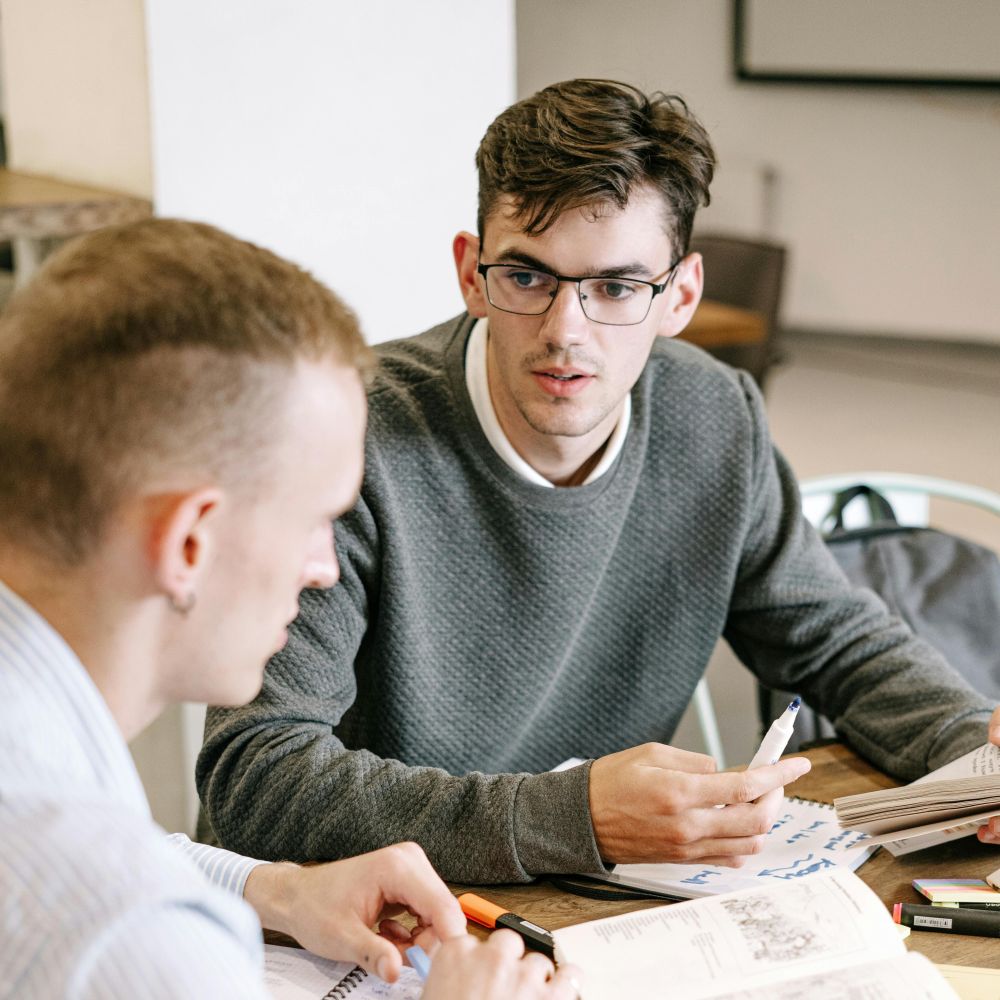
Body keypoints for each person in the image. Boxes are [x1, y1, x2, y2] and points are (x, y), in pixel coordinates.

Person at [198, 79, 1000, 886]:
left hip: (596, 910)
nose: (564, 332)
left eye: (616, 287)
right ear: (471, 274)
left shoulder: (714, 415)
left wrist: (976, 751)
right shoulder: (345, 437)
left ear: (680, 295)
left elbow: (836, 642)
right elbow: (255, 777)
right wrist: (572, 815)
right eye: (527, 277)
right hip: (364, 930)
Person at [0, 219, 578, 999]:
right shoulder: (131, 935)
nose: (324, 568)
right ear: (190, 544)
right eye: (314, 521)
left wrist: (275, 888)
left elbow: (115, 843)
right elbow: (104, 891)